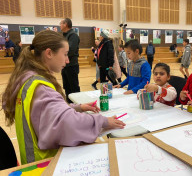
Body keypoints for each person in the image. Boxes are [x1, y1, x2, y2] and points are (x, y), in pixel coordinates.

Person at [1, 30, 125, 165]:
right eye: (65, 54)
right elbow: (68, 122)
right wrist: (102, 121)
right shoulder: (41, 88)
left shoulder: (26, 79)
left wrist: (79, 107)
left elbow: (45, 112)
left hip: (33, 159)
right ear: (49, 53)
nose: (67, 60)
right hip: (46, 164)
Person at [60, 18, 80, 103]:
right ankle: (70, 105)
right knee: (66, 86)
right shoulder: (64, 36)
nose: (60, 25)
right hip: (64, 65)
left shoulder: (73, 35)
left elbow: (71, 50)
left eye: (61, 23)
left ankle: (78, 106)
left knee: (74, 88)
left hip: (71, 65)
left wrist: (60, 54)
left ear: (66, 24)